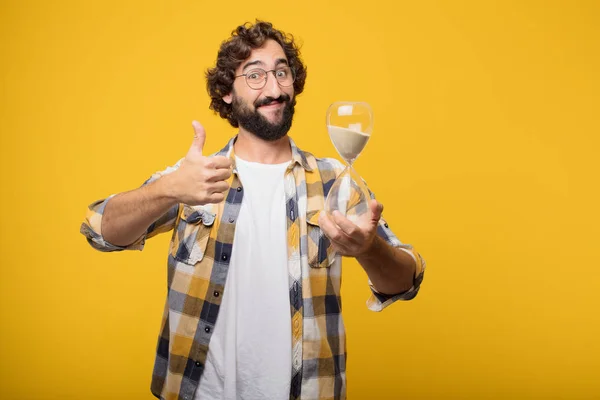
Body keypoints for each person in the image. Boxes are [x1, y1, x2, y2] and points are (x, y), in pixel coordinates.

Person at [81, 20, 425, 400]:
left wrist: (370, 249)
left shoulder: (333, 181)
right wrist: (167, 189)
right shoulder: (195, 178)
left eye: (281, 72)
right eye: (256, 75)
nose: (275, 89)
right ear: (227, 91)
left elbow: (405, 282)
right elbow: (100, 229)